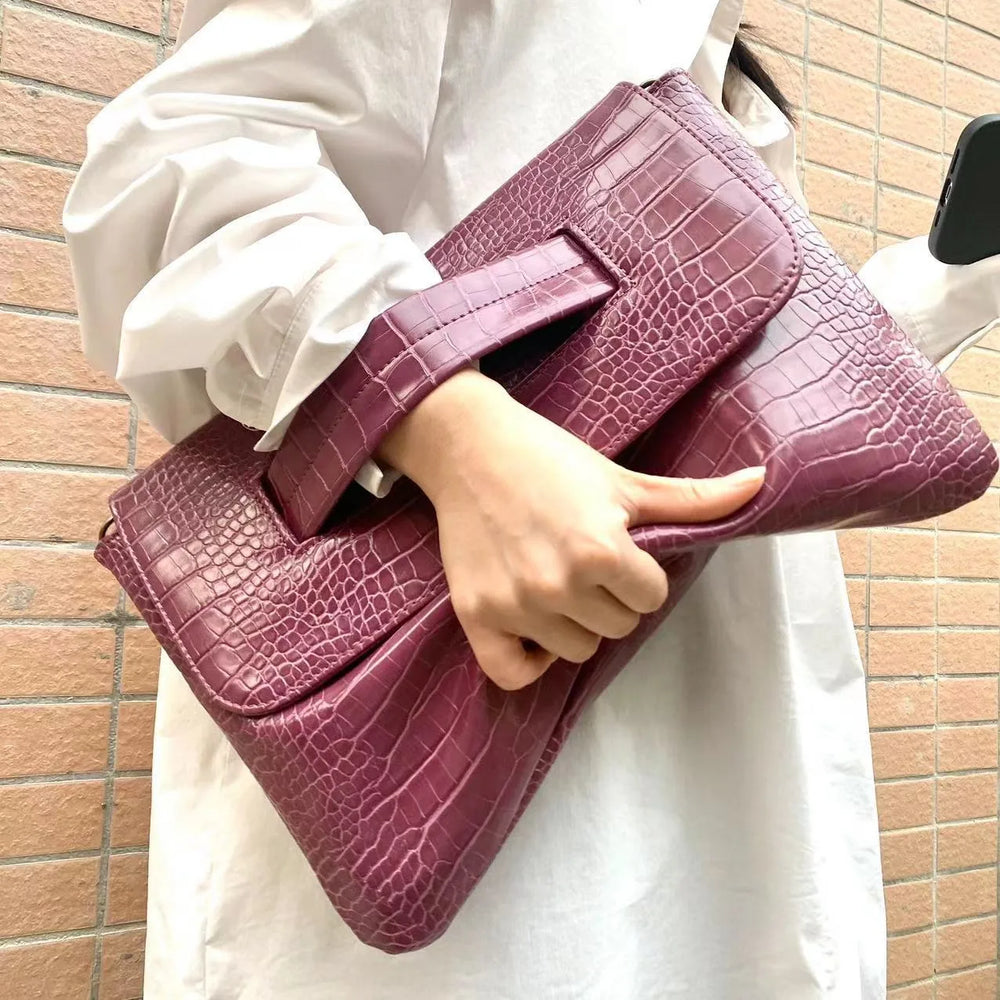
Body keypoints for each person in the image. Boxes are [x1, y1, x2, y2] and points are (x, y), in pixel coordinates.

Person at [62, 1, 1000, 997]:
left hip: (708, 718)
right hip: (450, 691)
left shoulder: (719, 65)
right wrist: (451, 426)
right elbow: (176, 163)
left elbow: (727, 376)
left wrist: (953, 278)